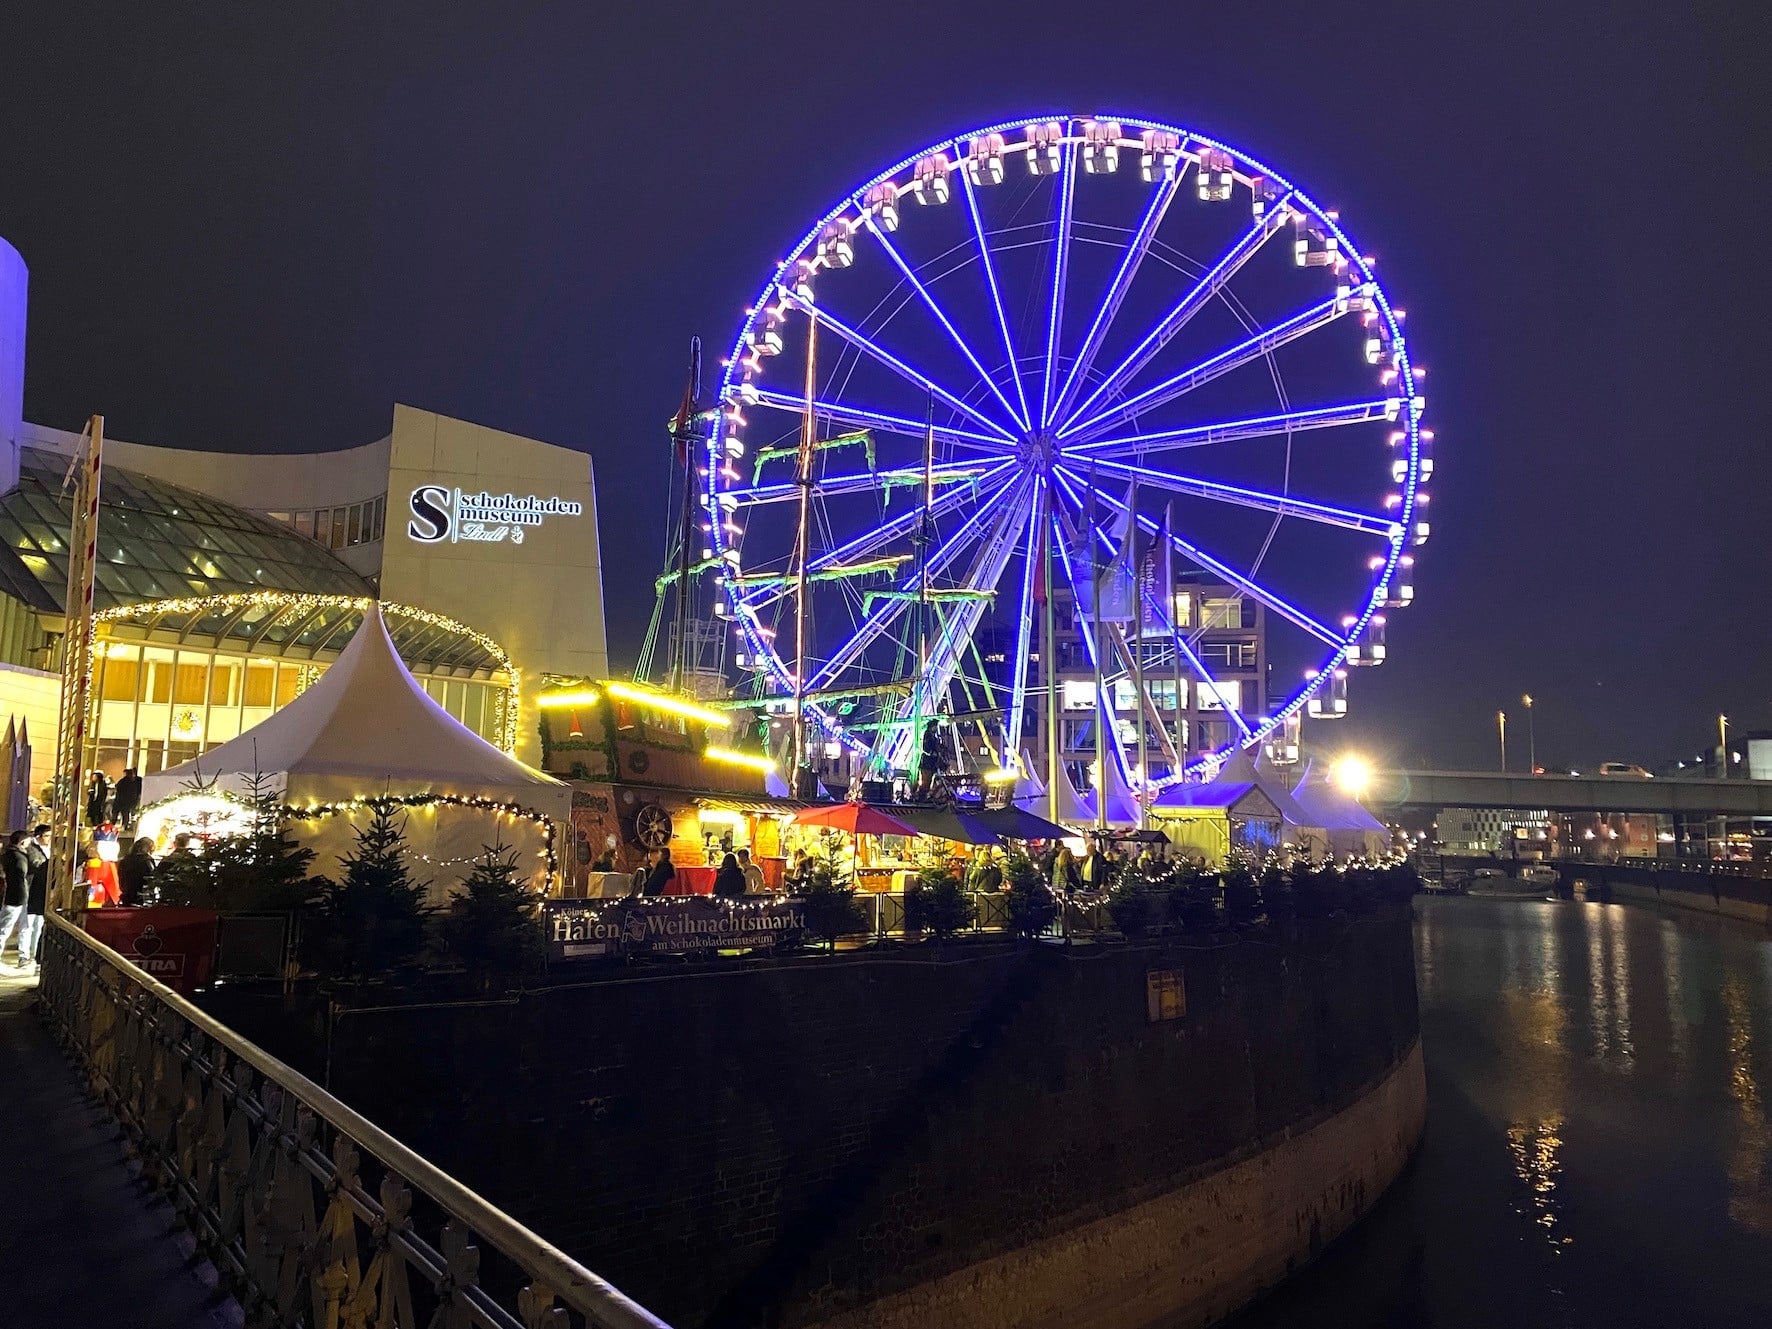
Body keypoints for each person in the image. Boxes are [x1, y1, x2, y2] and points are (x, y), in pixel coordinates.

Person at [16, 826, 51, 968]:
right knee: (27, 924)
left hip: (42, 891)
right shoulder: (31, 849)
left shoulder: (48, 850)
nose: (49, 838)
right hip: (30, 890)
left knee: (38, 924)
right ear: (38, 836)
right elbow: (36, 865)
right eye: (47, 835)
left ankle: (36, 953)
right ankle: (24, 955)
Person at [1, 830, 31, 965]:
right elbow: (19, 877)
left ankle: (24, 956)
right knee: (5, 928)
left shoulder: (9, 855)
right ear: (22, 842)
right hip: (16, 897)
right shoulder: (17, 857)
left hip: (17, 897)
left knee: (23, 926)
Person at [914, 701, 954, 798]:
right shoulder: (928, 735)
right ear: (932, 727)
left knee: (930, 781)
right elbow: (926, 748)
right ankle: (921, 797)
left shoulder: (933, 736)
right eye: (935, 726)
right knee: (926, 782)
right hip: (927, 763)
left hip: (932, 763)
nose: (936, 728)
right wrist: (933, 753)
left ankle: (928, 796)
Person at [118, 837, 157, 907]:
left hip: (126, 894)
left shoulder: (125, 860)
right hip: (141, 896)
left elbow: (121, 877)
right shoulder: (147, 860)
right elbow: (153, 878)